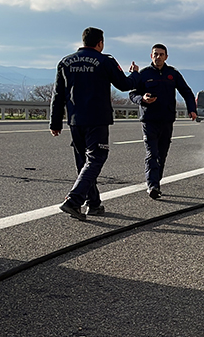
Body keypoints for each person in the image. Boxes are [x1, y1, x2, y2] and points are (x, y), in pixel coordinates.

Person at [50, 27, 141, 220]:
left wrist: (55, 122)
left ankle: (94, 204)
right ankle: (73, 200)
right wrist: (135, 75)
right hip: (97, 119)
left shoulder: (65, 62)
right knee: (96, 158)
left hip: (75, 120)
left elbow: (58, 94)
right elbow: (124, 85)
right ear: (100, 43)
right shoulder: (105, 60)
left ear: (83, 41)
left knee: (84, 162)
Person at [129, 44, 197, 199]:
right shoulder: (144, 74)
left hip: (167, 119)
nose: (158, 57)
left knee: (162, 154)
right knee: (152, 153)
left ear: (166, 56)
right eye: (155, 54)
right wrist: (143, 99)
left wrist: (191, 109)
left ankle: (156, 183)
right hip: (149, 120)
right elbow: (133, 94)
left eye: (161, 54)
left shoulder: (172, 74)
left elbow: (186, 92)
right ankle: (152, 185)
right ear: (151, 56)